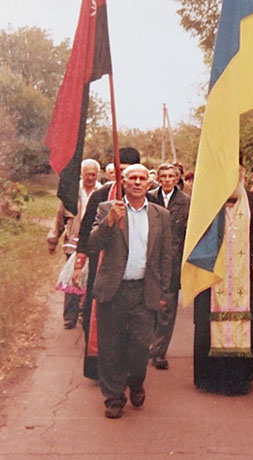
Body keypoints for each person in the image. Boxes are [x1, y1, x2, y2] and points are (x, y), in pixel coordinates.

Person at [89, 164, 172, 419]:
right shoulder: (108, 209)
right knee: (111, 347)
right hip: (113, 291)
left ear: (150, 184)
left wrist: (165, 293)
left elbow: (166, 257)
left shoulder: (161, 215)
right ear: (123, 183)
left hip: (144, 291)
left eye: (142, 178)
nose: (137, 182)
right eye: (132, 178)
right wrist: (109, 222)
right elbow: (92, 244)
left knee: (139, 348)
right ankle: (114, 397)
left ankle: (136, 381)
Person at [193, 168, 253, 396]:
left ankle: (240, 378)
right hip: (212, 275)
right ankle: (209, 377)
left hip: (243, 275)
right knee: (208, 326)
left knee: (244, 324)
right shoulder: (206, 199)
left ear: (242, 175)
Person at [73, 147, 142, 380]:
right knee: (97, 317)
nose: (126, 177)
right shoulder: (101, 195)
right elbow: (85, 235)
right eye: (120, 170)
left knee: (130, 327)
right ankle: (99, 369)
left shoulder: (147, 198)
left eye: (130, 172)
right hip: (103, 267)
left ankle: (127, 373)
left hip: (134, 271)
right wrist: (79, 263)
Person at [47, 158, 101, 328]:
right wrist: (53, 239)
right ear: (82, 174)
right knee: (73, 278)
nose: (90, 178)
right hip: (73, 240)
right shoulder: (72, 191)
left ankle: (84, 313)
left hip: (93, 240)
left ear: (98, 174)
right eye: (87, 174)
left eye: (93, 174)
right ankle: (69, 317)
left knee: (90, 278)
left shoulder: (102, 191)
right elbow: (59, 216)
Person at [147, 163, 191, 370]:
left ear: (177, 178)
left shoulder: (186, 202)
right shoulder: (149, 197)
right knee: (148, 304)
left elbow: (187, 235)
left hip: (172, 261)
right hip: (149, 260)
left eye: (171, 176)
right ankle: (148, 345)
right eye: (162, 176)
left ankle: (159, 351)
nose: (166, 180)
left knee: (167, 306)